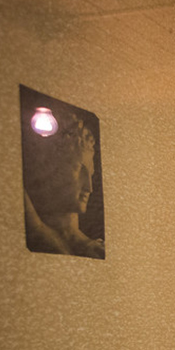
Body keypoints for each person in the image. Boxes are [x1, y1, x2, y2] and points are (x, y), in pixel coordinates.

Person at [21, 102, 105, 259]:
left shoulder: (96, 249)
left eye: (90, 175)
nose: (89, 187)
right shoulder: (39, 234)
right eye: (79, 171)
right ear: (49, 169)